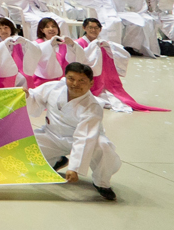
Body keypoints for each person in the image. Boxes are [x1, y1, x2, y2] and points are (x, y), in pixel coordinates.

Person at [28, 63, 120, 200]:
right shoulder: (53, 88)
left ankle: (102, 183)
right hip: (52, 135)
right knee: (24, 147)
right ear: (65, 78)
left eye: (82, 80)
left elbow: (84, 137)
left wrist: (75, 167)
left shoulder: (93, 106)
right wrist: (26, 96)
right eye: (71, 79)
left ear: (91, 83)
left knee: (104, 148)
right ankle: (57, 160)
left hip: (85, 140)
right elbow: (34, 98)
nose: (75, 84)